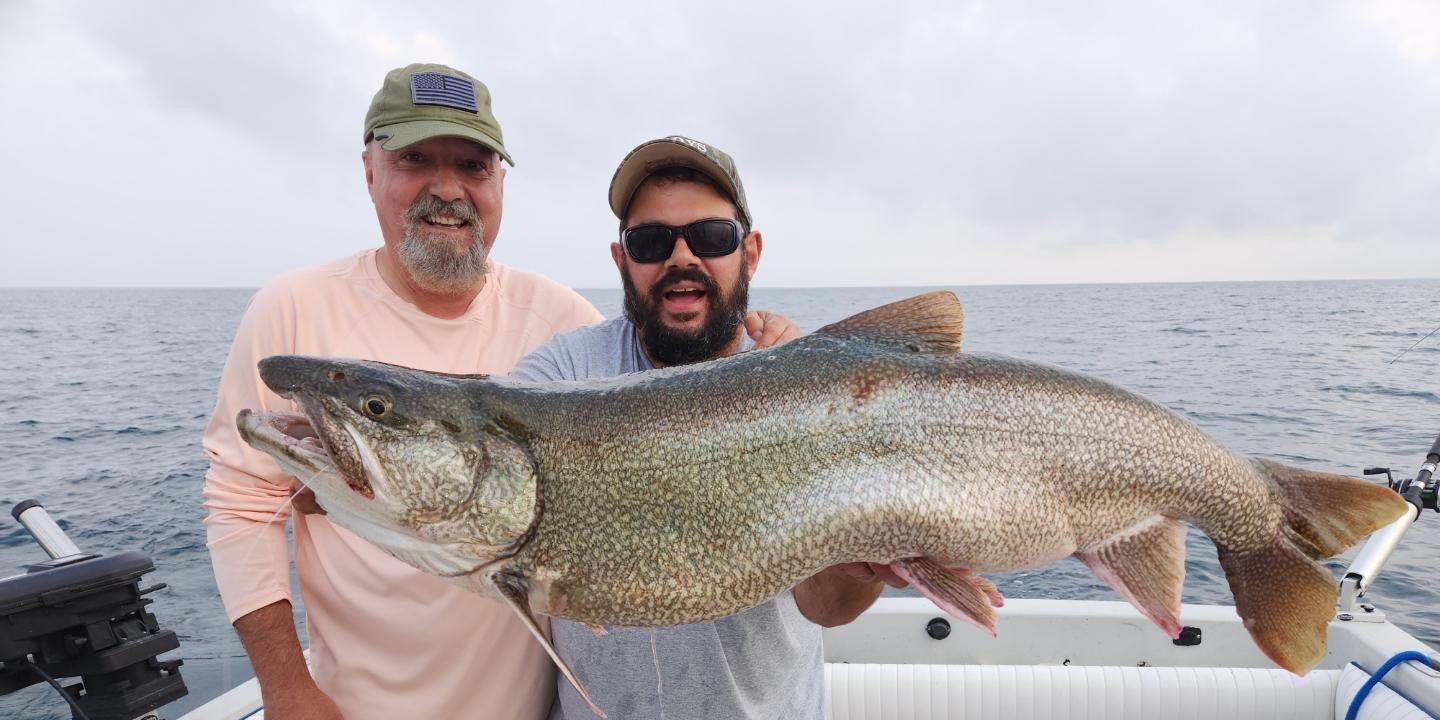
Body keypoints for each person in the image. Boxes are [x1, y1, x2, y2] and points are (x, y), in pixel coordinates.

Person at [203, 64, 796, 720]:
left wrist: (770, 363)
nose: (446, 188)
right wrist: (287, 689)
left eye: (474, 166)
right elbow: (241, 505)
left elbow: (672, 425)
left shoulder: (561, 320)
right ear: (369, 169)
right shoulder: (293, 306)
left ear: (500, 183)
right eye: (416, 159)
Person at [512, 136, 900, 720]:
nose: (681, 257)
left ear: (751, 251)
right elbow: (477, 437)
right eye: (650, 242)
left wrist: (862, 560)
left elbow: (828, 607)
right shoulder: (565, 376)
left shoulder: (811, 386)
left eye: (712, 236)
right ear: (622, 261)